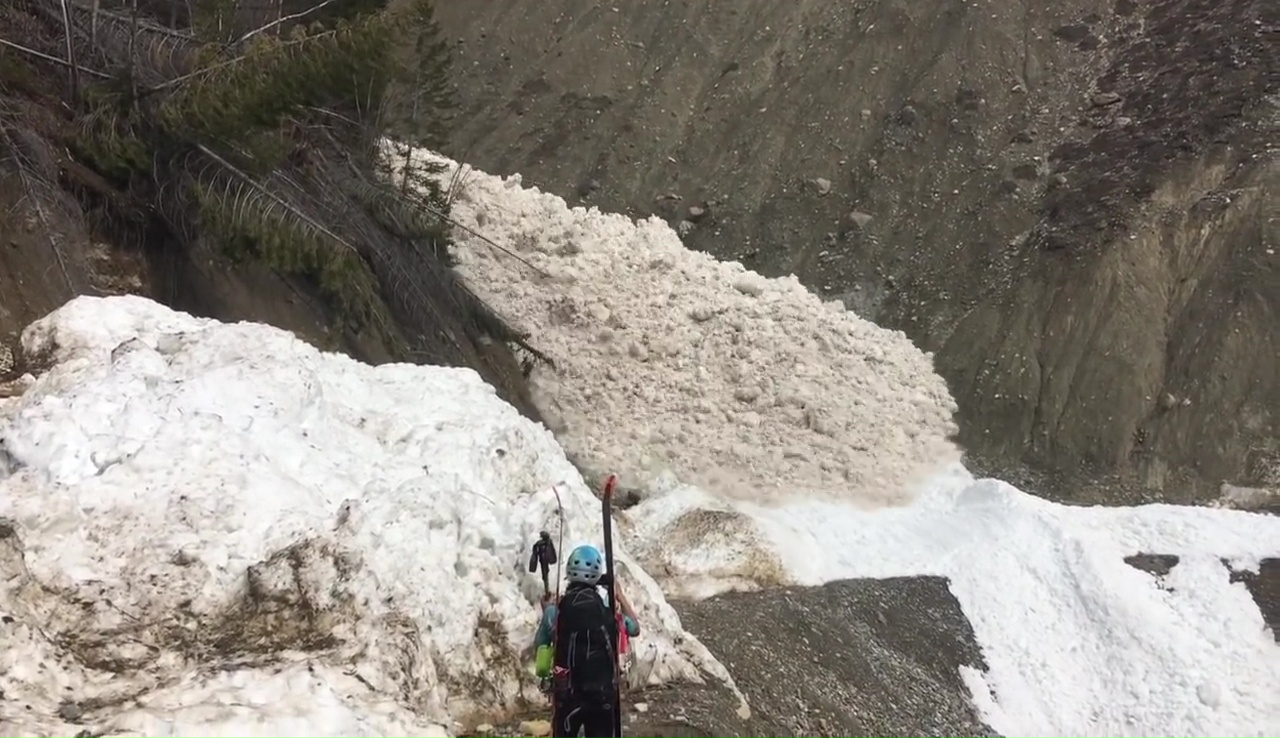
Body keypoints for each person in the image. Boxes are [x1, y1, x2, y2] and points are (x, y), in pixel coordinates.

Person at [533, 544, 640, 738]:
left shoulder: (555, 613)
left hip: (568, 696)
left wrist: (547, 610)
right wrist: (619, 596)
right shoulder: (608, 613)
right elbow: (634, 628)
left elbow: (540, 644)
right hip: (602, 695)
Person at [529, 530, 558, 596]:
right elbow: (535, 554)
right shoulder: (540, 544)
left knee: (545, 574)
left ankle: (547, 590)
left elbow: (552, 551)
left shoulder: (547, 543)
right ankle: (546, 590)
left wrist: (552, 559)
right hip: (543, 561)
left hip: (545, 561)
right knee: (545, 575)